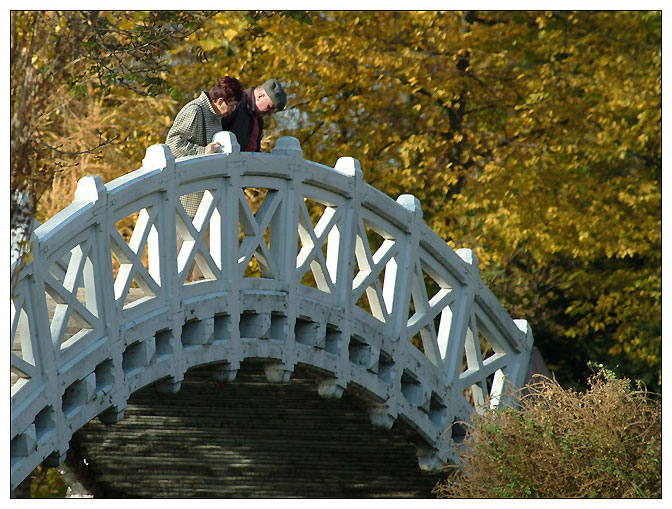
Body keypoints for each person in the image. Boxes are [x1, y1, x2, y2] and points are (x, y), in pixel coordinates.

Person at [166, 76, 244, 158]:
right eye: (232, 105)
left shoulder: (216, 113)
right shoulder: (195, 110)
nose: (233, 109)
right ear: (220, 101)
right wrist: (203, 151)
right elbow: (173, 145)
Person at [221, 78, 286, 152]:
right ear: (260, 96)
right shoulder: (235, 103)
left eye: (274, 110)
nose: (271, 112)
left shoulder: (258, 118)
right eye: (270, 107)